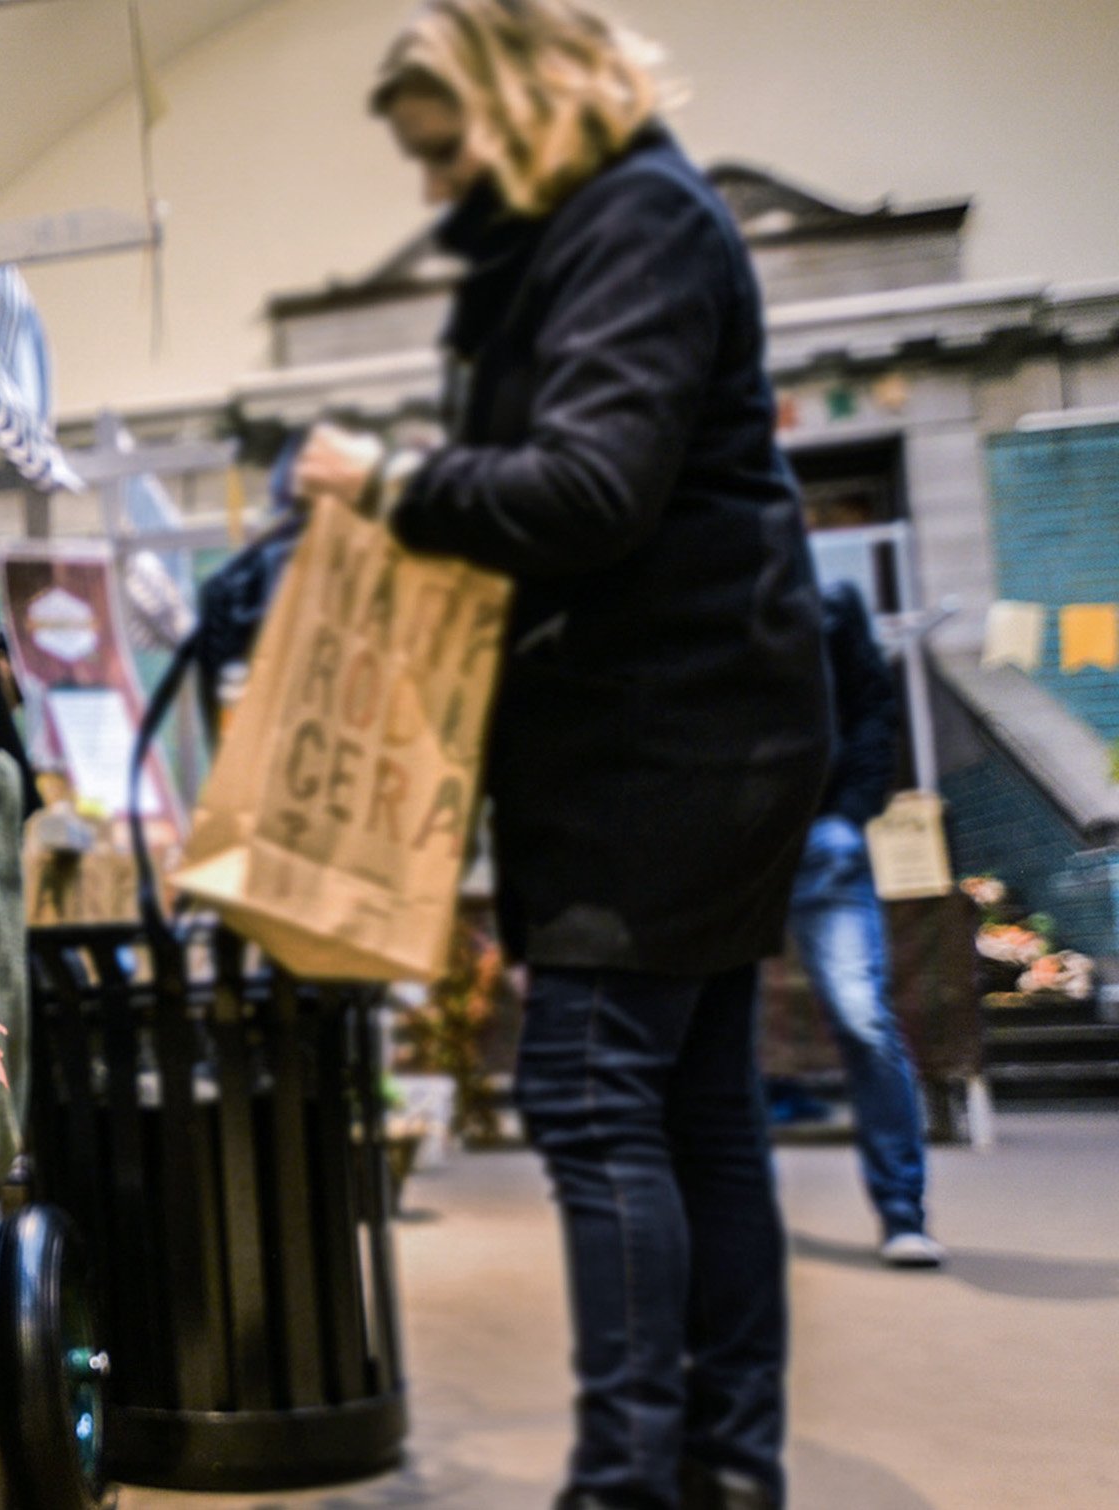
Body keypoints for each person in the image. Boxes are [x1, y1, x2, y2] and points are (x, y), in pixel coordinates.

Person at [296, 3, 830, 1507]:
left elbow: (592, 488)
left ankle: (629, 1483)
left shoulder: (631, 222)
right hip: (700, 720)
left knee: (598, 1096)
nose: (435, 186)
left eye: (447, 146)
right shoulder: (631, 220)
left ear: (521, 100)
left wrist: (393, 482)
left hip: (658, 738)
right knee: (698, 1109)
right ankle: (723, 1467)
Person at [794, 582, 944, 1268]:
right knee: (712, 1031)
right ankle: (726, 1223)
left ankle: (902, 1212)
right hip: (729, 850)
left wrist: (850, 813)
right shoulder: (693, 595)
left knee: (861, 1017)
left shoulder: (828, 600)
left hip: (822, 841)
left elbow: (873, 706)